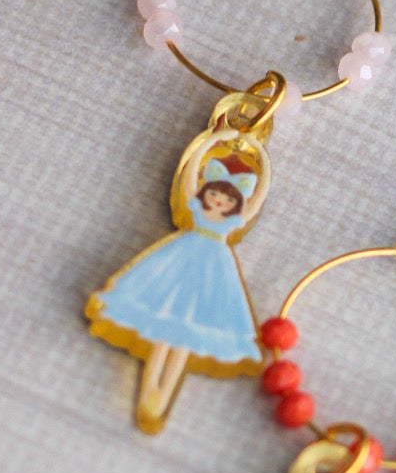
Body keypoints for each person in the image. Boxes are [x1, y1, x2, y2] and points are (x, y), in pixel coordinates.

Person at [87, 138, 269, 431]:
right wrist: (208, 144)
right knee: (165, 326)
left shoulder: (234, 221)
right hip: (182, 257)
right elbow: (190, 175)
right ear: (205, 193)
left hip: (213, 269)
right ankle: (150, 391)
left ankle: (162, 395)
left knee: (188, 335)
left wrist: (261, 157)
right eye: (215, 195)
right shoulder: (195, 206)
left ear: (236, 204)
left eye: (227, 200)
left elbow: (258, 198)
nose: (219, 202)